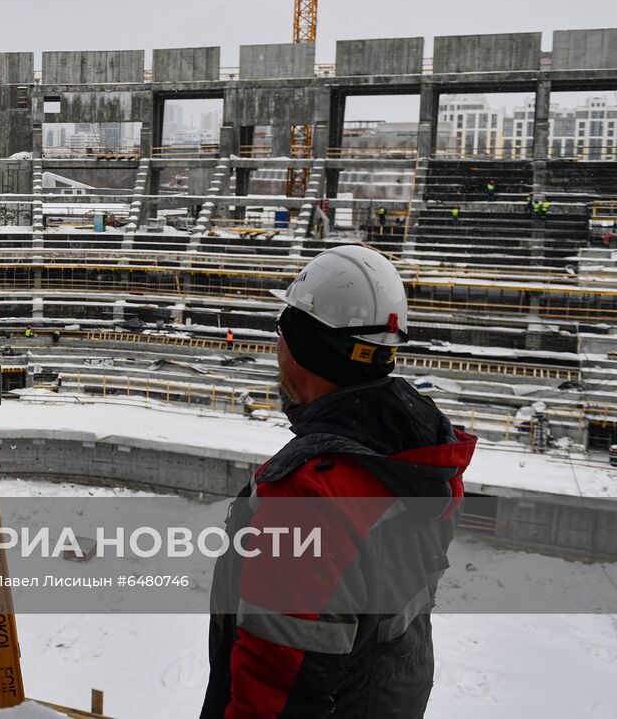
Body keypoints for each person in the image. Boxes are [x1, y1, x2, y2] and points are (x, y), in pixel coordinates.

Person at [200, 244, 476, 719]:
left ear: (303, 350)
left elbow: (275, 692)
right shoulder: (414, 458)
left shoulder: (311, 498)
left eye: (283, 332)